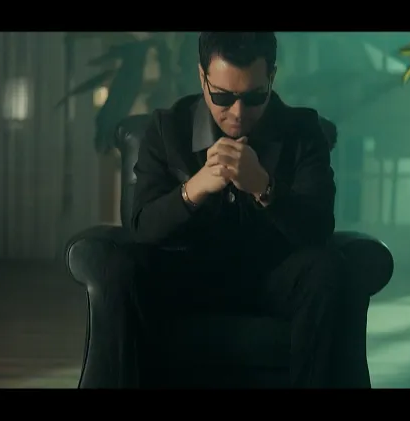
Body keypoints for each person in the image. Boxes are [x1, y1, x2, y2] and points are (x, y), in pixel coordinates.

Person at [109, 32, 345, 388]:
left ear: (272, 77)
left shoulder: (303, 130)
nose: (237, 113)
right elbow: (141, 226)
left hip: (274, 278)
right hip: (187, 276)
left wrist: (264, 187)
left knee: (326, 269)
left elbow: (319, 228)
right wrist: (196, 188)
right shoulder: (167, 129)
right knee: (119, 266)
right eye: (222, 96)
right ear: (202, 76)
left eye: (254, 96)